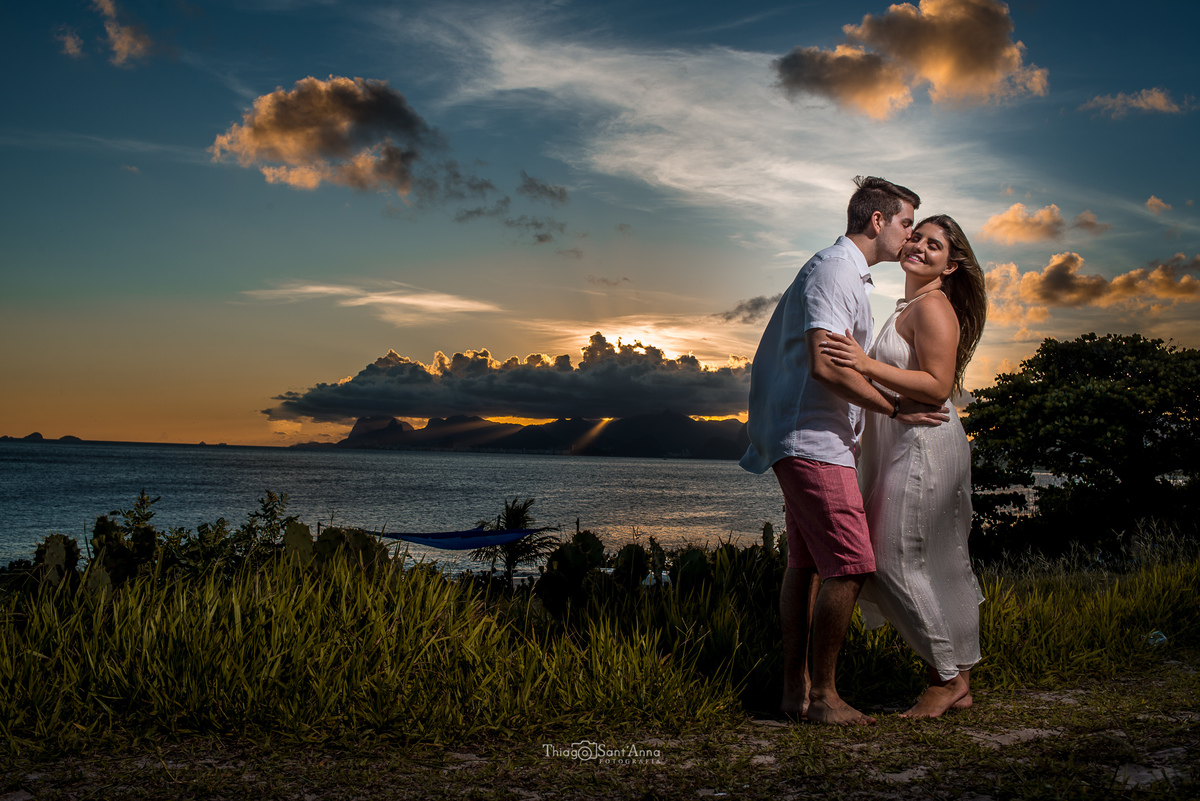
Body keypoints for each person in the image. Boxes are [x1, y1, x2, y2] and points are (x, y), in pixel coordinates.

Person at [740, 177, 948, 725]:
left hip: (810, 436)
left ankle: (796, 693)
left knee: (806, 564)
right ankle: (825, 699)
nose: (909, 236)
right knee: (851, 564)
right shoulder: (836, 271)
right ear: (878, 221)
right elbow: (827, 365)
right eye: (906, 223)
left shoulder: (845, 273)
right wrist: (896, 409)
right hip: (814, 439)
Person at [820, 214, 988, 718]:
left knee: (890, 559)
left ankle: (947, 678)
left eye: (933, 245)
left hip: (924, 443)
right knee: (911, 561)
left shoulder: (934, 307)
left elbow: (938, 385)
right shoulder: (910, 306)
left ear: (951, 264)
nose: (917, 246)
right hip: (904, 441)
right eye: (916, 236)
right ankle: (952, 676)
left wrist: (864, 363)